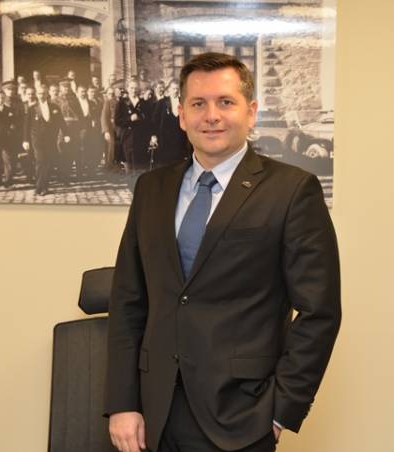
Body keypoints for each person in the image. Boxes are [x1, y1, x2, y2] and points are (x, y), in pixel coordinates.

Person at [105, 52, 341, 452]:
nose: (211, 116)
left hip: (242, 415)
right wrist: (122, 403)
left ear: (251, 112)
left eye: (225, 102)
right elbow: (129, 300)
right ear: (181, 115)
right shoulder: (151, 189)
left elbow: (320, 311)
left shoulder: (292, 190)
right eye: (198, 103)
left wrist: (282, 410)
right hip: (152, 412)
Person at [22, 85, 69, 195]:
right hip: (37, 139)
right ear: (37, 95)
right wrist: (25, 140)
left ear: (47, 94)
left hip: (50, 139)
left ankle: (45, 187)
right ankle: (39, 187)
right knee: (40, 161)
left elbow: (61, 121)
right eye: (39, 93)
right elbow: (26, 126)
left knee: (47, 162)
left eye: (43, 93)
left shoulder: (54, 107)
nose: (41, 96)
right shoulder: (32, 109)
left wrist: (66, 134)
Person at [151, 80, 191, 167]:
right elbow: (155, 121)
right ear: (169, 90)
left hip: (180, 138)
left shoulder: (184, 102)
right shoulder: (162, 102)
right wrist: (154, 135)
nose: (175, 91)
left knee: (179, 163)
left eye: (177, 89)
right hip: (165, 139)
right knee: (165, 163)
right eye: (173, 89)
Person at [115, 80, 151, 172]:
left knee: (140, 164)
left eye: (135, 88)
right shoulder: (122, 103)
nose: (133, 90)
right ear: (127, 89)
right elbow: (117, 121)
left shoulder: (144, 103)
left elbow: (148, 121)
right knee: (129, 164)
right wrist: (129, 119)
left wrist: (140, 118)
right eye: (131, 88)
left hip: (141, 137)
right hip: (127, 137)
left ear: (138, 89)